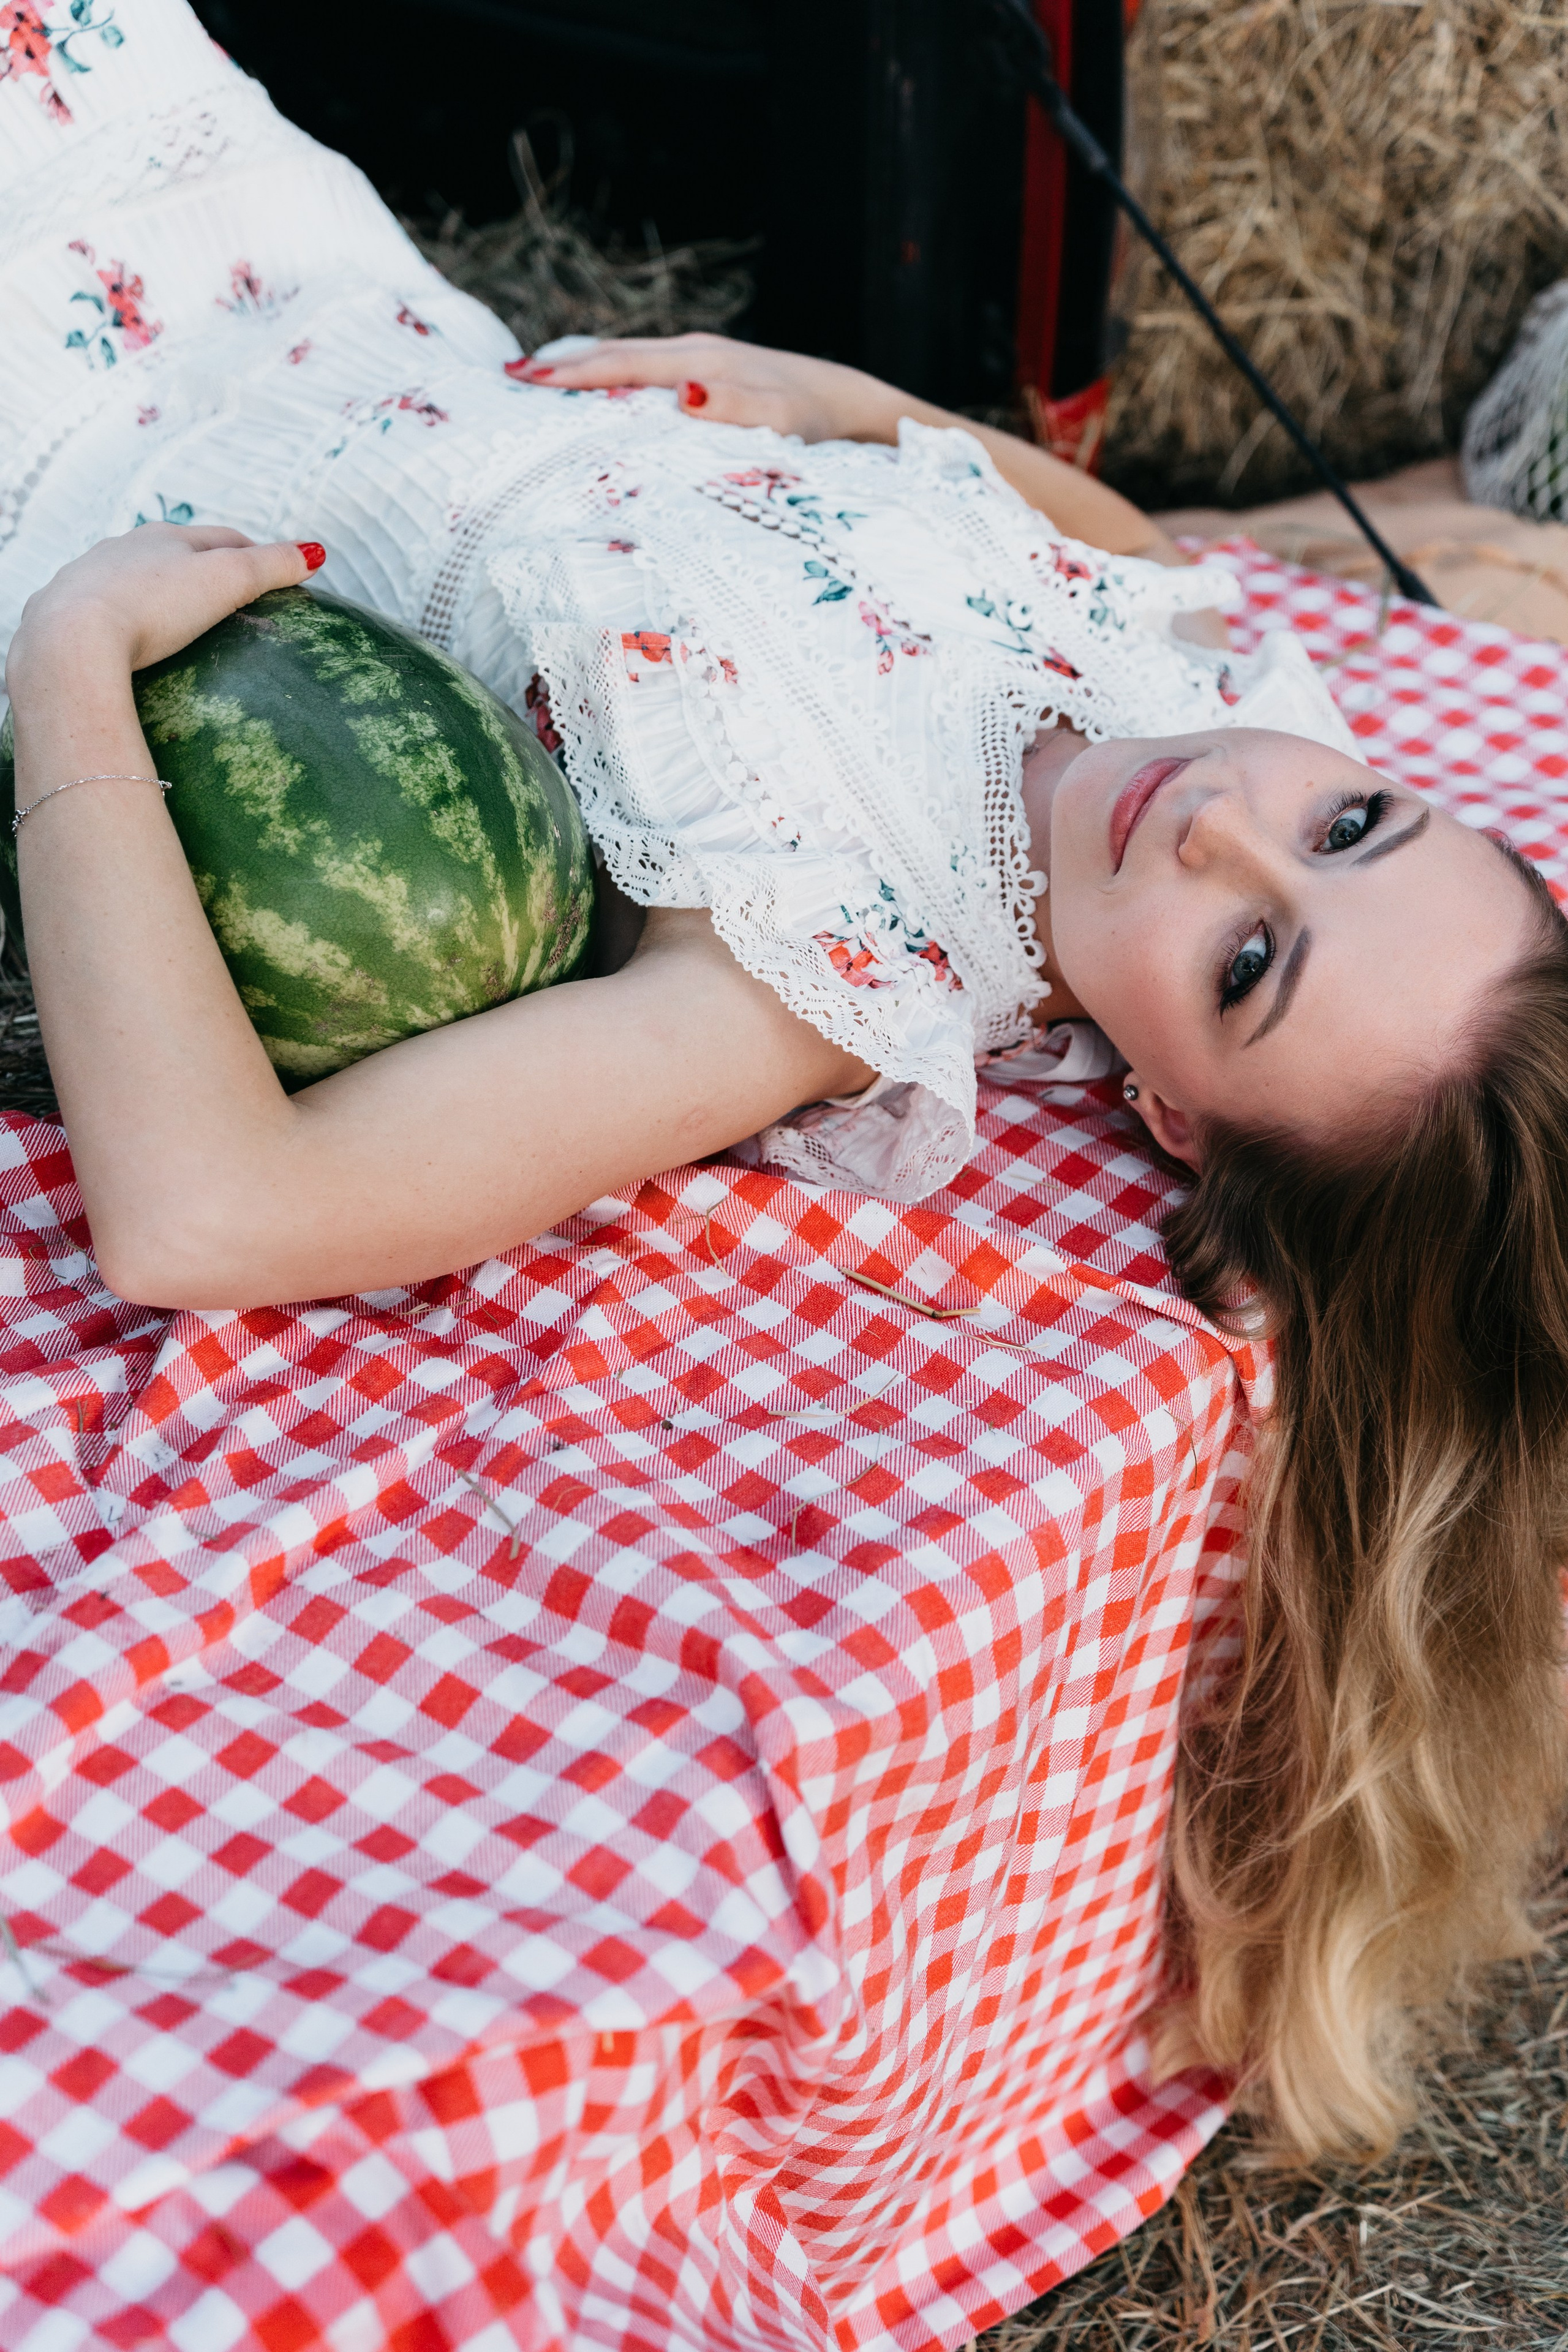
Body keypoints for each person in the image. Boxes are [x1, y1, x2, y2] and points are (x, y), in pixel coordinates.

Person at [3, 0, 1565, 2174]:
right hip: (284, 251)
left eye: (1245, 965)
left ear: (1176, 1119)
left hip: (79, 443)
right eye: (1356, 825)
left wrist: (73, 671)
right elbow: (1126, 551)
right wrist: (847, 410)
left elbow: (215, 1215)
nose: (1228, 820)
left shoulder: (822, 958)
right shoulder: (1211, 679)